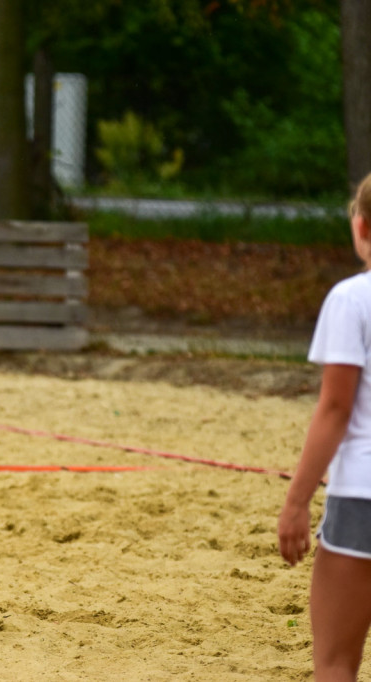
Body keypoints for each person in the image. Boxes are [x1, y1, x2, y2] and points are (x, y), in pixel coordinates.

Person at [278, 171, 371, 682]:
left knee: (336, 664)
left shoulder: (352, 300)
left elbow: (335, 409)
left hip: (363, 493)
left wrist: (296, 502)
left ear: (361, 227)